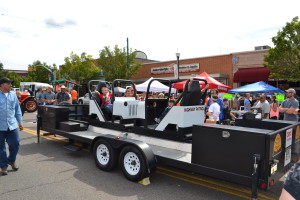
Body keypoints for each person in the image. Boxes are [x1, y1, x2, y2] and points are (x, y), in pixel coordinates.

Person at [0, 77, 23, 175]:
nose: (11, 85)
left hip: (12, 126)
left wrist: (20, 122)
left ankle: (11, 160)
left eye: (10, 83)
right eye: (8, 83)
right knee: (1, 148)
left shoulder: (13, 95)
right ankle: (4, 166)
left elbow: (17, 110)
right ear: (2, 85)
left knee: (15, 144)